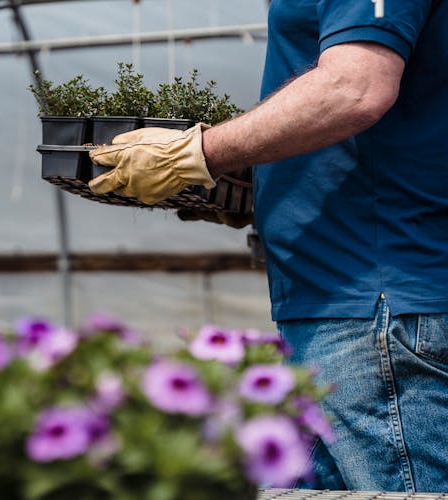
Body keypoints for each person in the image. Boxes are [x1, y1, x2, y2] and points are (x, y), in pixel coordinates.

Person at [88, 0, 448, 493]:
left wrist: (200, 153)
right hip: (346, 306)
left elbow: (355, 88)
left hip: (374, 304)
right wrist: (256, 187)